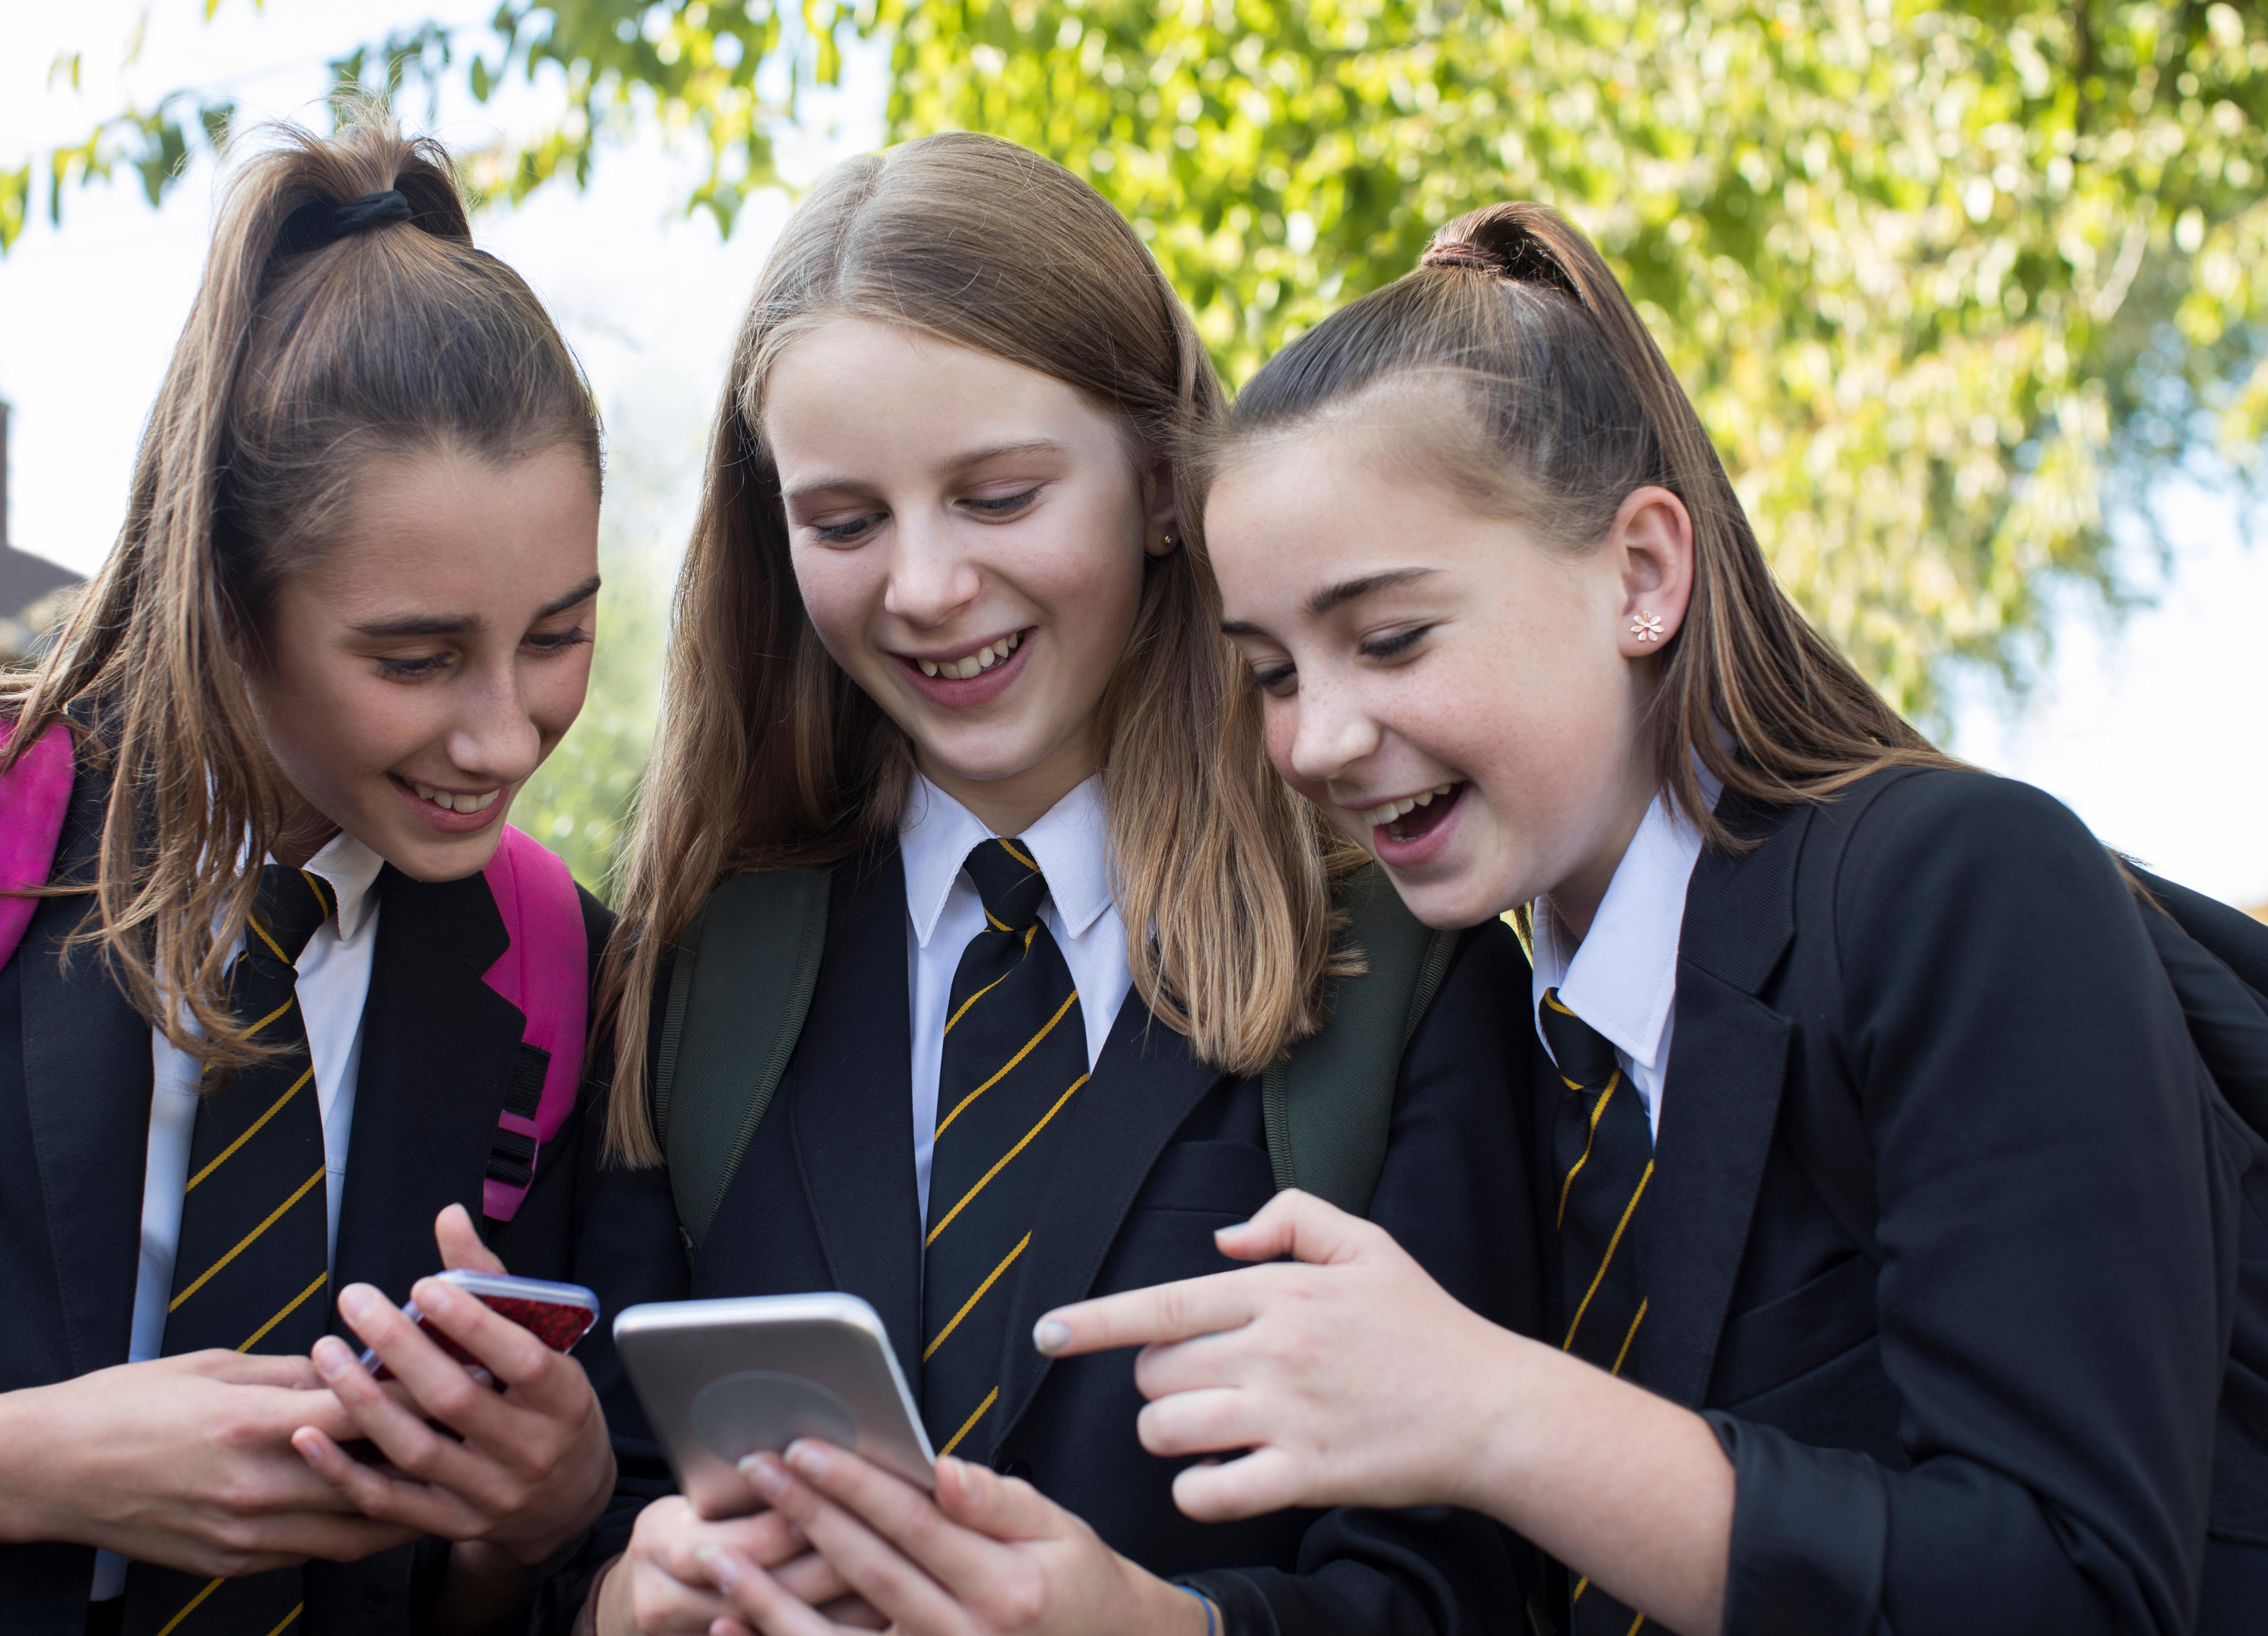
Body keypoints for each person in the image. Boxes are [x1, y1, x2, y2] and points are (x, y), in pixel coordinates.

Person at [1022, 202, 2264, 1636]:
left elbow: (2078, 1588)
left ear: (1643, 577)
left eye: (1391, 639)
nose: (1314, 741)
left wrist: (1492, 1409)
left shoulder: (1955, 889)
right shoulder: (1506, 1046)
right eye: (1273, 672)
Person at [565, 133, 1546, 1636]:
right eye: (843, 523)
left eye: (1000, 497)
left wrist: (1162, 1627)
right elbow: (604, 1519)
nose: (925, 588)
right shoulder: (694, 971)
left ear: (1163, 484)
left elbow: (1472, 1593)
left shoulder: (1398, 961)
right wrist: (624, 1600)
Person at [0, 117, 627, 1634]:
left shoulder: (554, 975)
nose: (504, 734)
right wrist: (26, 1467)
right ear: (223, 596)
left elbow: (474, 1602)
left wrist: (538, 1519)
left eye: (556, 635)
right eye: (415, 658)